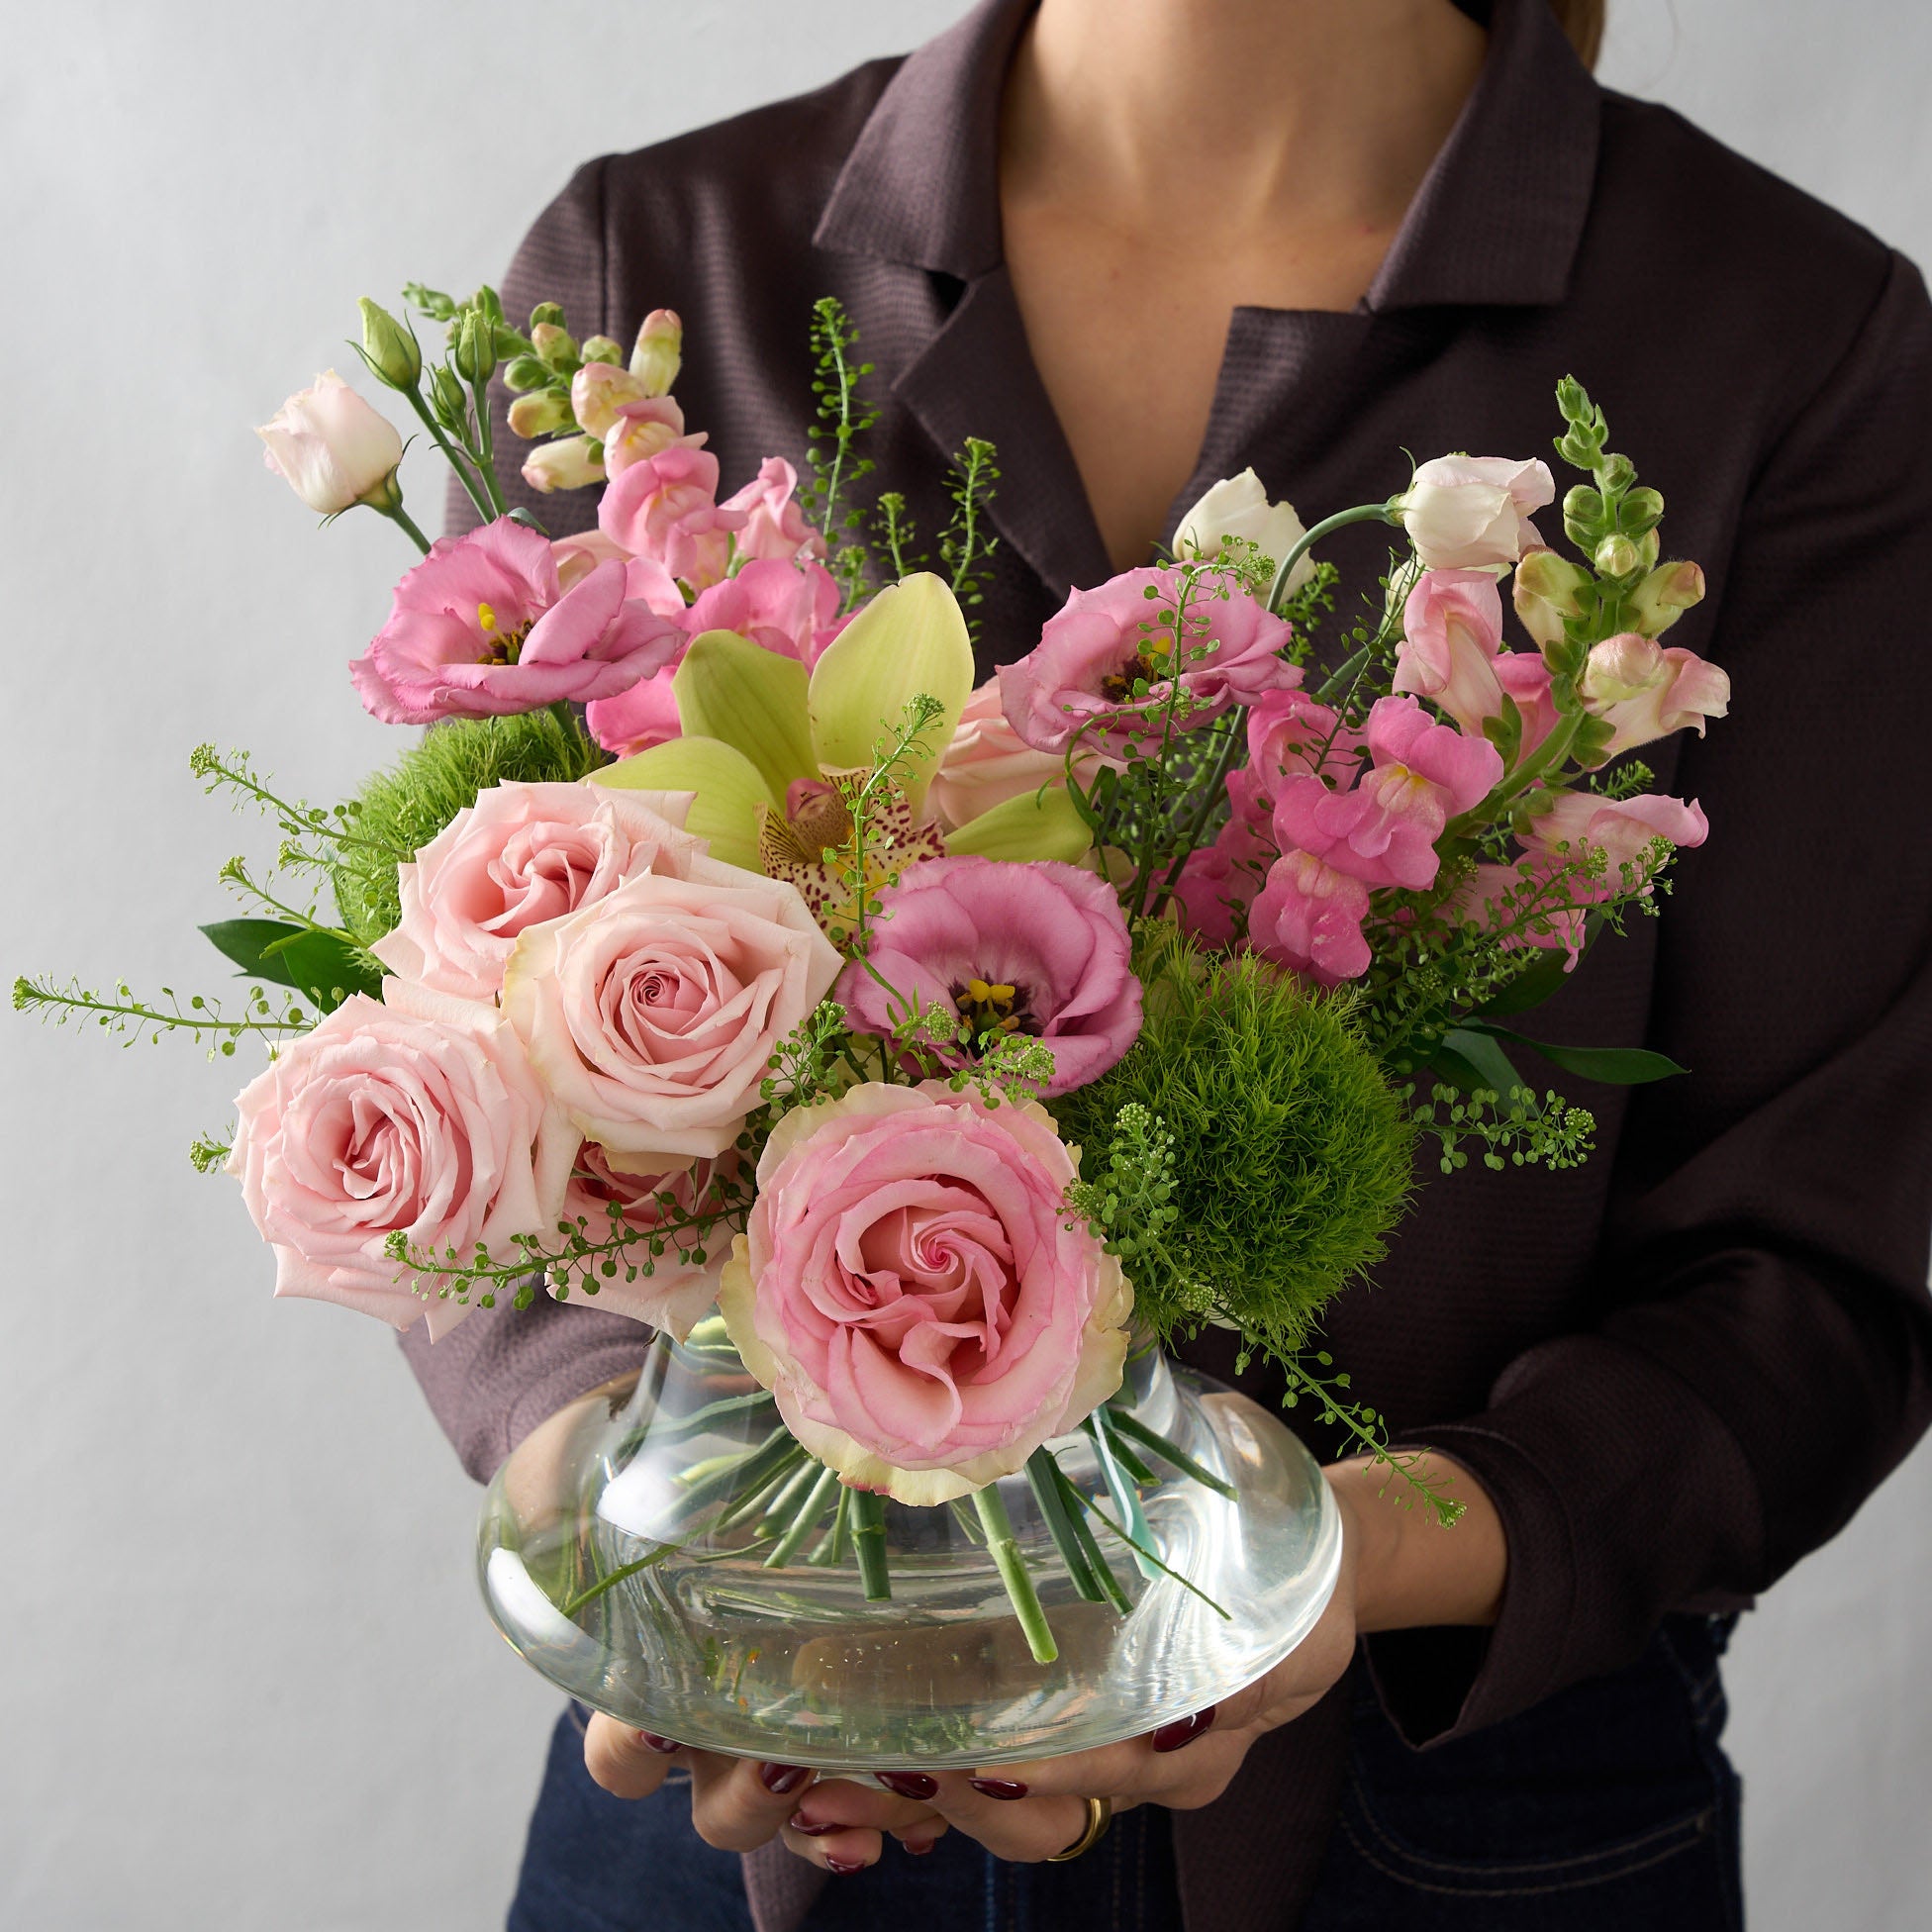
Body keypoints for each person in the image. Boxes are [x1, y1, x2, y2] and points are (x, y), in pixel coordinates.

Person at [402, 1, 1932, 1926]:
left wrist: (1315, 1563)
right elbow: (471, 1046)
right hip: (746, 1746)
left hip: (1446, 1803)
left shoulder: (1785, 336)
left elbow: (1797, 1289)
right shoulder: (661, 268)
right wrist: (612, 1505)